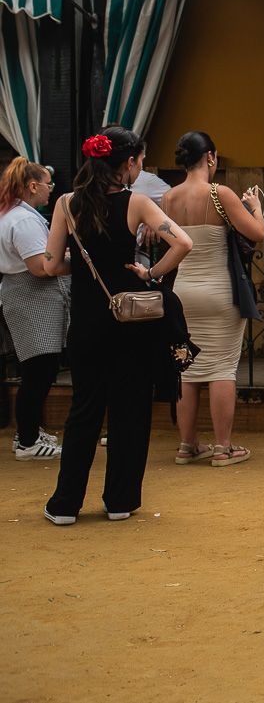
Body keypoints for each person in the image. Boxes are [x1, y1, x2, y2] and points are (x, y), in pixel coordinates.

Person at [43, 128, 193, 525]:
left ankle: (65, 505)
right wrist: (150, 272)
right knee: (130, 411)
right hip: (130, 321)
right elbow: (183, 243)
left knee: (84, 410)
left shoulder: (65, 204)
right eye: (139, 161)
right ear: (127, 164)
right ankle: (120, 501)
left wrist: (82, 266)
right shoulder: (138, 204)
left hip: (88, 323)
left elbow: (49, 264)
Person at [162, 131, 264, 469]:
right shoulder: (219, 193)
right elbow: (257, 233)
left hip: (184, 291)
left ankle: (186, 445)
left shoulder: (169, 198)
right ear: (210, 157)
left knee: (187, 368)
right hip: (219, 291)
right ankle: (223, 447)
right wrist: (257, 208)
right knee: (222, 367)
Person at [0, 158, 65, 460]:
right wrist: (74, 263)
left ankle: (26, 432)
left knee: (37, 368)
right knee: (39, 370)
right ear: (32, 186)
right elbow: (40, 268)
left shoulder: (16, 214)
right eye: (47, 184)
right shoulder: (23, 220)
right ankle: (27, 441)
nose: (51, 190)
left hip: (25, 295)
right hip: (31, 295)